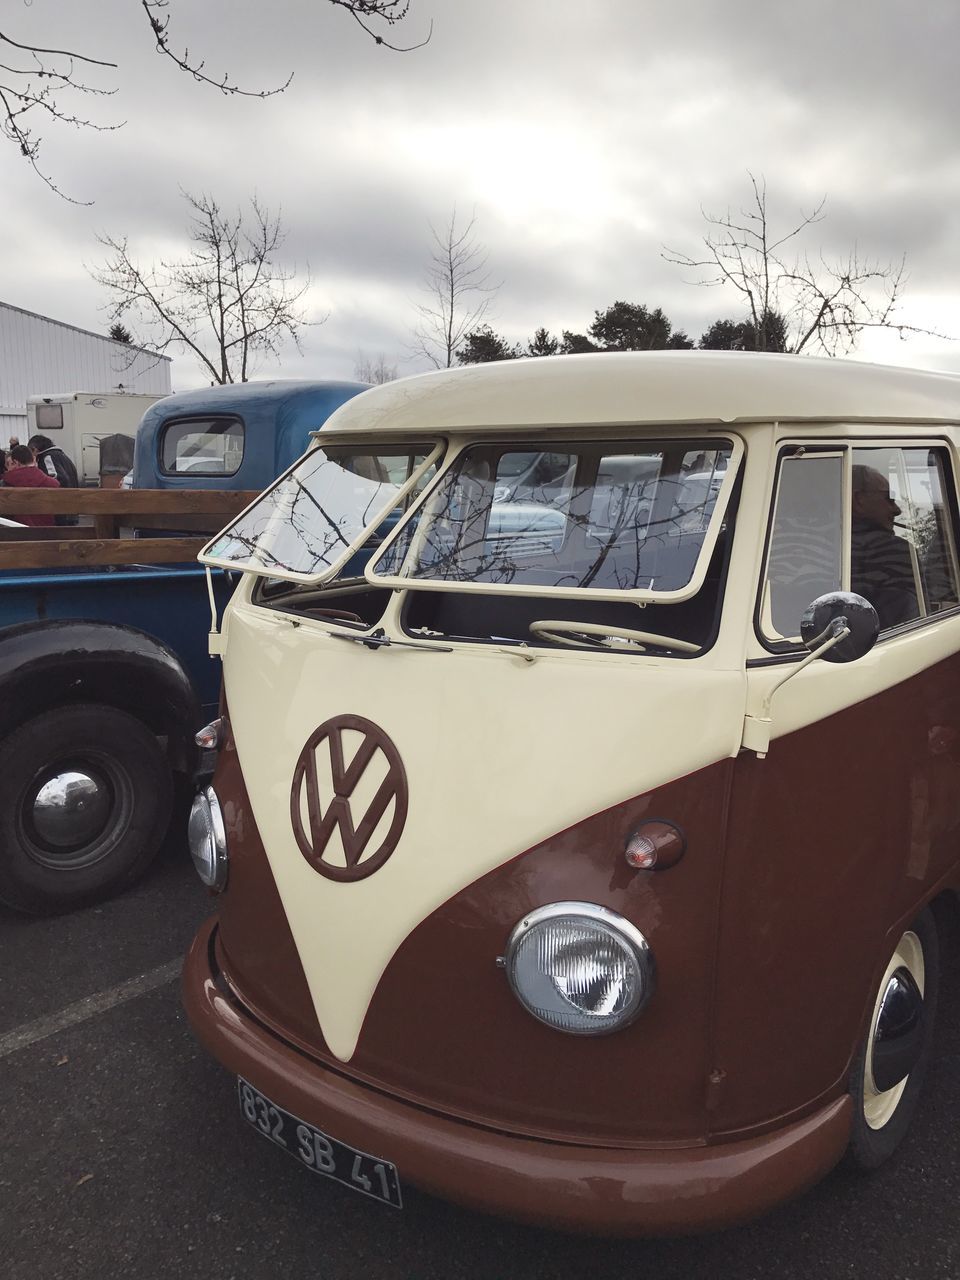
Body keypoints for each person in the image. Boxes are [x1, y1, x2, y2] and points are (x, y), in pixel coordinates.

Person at [850, 463, 920, 629]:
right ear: (858, 500)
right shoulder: (895, 550)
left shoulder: (803, 551)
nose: (897, 510)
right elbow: (907, 626)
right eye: (889, 499)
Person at [3, 444, 60, 527]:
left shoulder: (5, 485)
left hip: (15, 535)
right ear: (33, 459)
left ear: (16, 462)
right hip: (48, 534)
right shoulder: (53, 484)